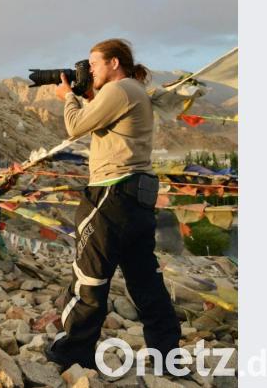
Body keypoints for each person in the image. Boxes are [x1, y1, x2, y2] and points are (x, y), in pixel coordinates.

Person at [45, 39, 181, 369]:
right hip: (138, 194)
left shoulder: (119, 90)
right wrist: (88, 95)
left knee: (89, 274)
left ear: (115, 63)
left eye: (94, 64)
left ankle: (74, 350)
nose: (89, 70)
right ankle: (167, 354)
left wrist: (70, 98)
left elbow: (76, 126)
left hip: (112, 193)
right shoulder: (134, 90)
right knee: (144, 279)